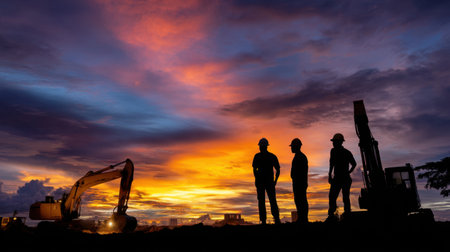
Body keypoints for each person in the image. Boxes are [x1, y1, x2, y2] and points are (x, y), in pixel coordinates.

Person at [252, 138, 281, 224]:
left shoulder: (258, 156)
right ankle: (275, 220)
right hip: (267, 182)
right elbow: (278, 170)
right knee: (270, 200)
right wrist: (275, 181)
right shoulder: (271, 156)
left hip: (264, 182)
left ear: (262, 146)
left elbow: (254, 170)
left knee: (266, 201)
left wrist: (257, 178)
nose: (260, 148)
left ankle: (267, 220)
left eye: (261, 146)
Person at [328, 133, 356, 219]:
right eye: (333, 142)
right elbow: (331, 164)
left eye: (335, 141)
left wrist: (348, 172)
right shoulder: (333, 151)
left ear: (339, 142)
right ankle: (332, 214)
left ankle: (347, 214)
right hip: (338, 178)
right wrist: (329, 175)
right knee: (332, 196)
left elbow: (354, 164)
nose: (333, 143)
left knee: (345, 197)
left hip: (344, 178)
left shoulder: (346, 153)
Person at [290, 138, 309, 224]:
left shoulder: (301, 157)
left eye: (292, 146)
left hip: (300, 183)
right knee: (299, 200)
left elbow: (303, 172)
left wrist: (301, 182)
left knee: (301, 200)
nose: (291, 148)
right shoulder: (298, 156)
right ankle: (301, 218)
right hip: (298, 182)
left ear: (297, 146)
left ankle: (303, 219)